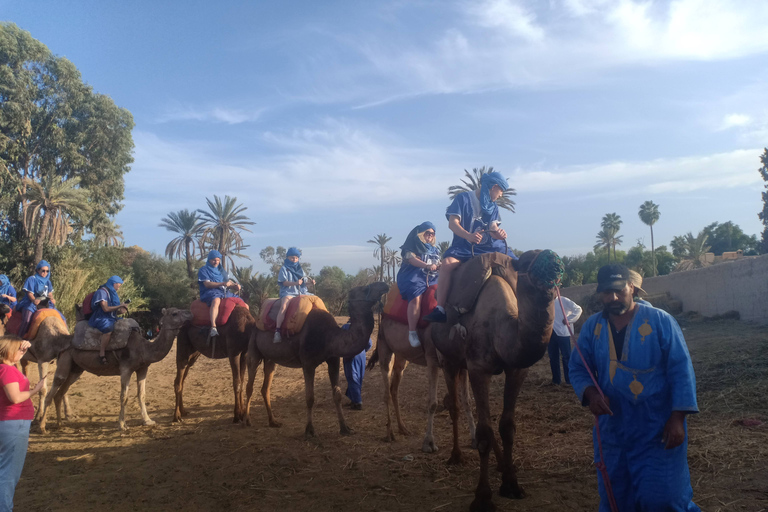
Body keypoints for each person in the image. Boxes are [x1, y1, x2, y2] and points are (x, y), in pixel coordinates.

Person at [569, 264, 700, 511]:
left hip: (656, 429)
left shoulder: (661, 322)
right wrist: (591, 392)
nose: (613, 297)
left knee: (664, 497)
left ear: (632, 287)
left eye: (619, 290)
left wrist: (678, 418)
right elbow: (578, 367)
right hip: (612, 431)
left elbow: (681, 370)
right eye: (607, 292)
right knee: (616, 495)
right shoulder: (592, 327)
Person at [424, 171, 509, 323]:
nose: (501, 195)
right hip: (463, 247)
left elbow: (493, 228)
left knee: (512, 262)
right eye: (501, 191)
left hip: (487, 247)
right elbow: (452, 223)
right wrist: (468, 236)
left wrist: (499, 234)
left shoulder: (493, 206)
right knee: (447, 265)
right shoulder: (463, 199)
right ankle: (441, 309)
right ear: (494, 187)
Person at [0, 335, 47, 511]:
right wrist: (36, 390)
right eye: (18, 349)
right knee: (9, 474)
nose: (22, 352)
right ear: (9, 350)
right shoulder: (8, 370)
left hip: (8, 423)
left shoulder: (7, 368)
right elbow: (15, 397)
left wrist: (23, 348)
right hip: (14, 424)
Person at [395, 222, 440, 348]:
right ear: (421, 233)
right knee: (416, 297)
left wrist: (441, 266)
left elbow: (437, 262)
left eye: (432, 233)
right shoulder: (410, 247)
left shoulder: (435, 250)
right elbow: (412, 260)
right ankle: (412, 331)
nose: (430, 236)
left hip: (432, 278)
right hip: (413, 277)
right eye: (428, 233)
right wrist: (426, 265)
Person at [273, 247, 314, 343]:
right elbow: (283, 282)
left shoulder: (300, 270)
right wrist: (295, 283)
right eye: (292, 258)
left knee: (316, 300)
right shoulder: (284, 269)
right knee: (283, 307)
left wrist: (311, 283)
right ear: (287, 257)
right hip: (289, 292)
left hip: (302, 292)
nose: (294, 260)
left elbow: (304, 283)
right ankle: (277, 331)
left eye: (296, 258)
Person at [88, 276, 130, 365]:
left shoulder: (113, 294)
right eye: (118, 285)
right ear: (114, 283)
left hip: (111, 317)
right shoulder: (102, 292)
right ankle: (102, 353)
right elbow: (106, 309)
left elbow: (115, 312)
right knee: (108, 329)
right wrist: (119, 306)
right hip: (101, 318)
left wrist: (122, 309)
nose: (119, 287)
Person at [198, 250, 241, 338]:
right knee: (216, 300)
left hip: (224, 292)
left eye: (218, 260)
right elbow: (207, 284)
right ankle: (213, 327)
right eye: (214, 260)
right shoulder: (203, 270)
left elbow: (228, 283)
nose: (216, 262)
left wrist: (235, 286)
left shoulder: (222, 271)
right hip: (210, 292)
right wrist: (222, 284)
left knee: (241, 302)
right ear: (209, 260)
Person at [15, 260, 56, 337]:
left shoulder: (48, 282)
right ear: (38, 270)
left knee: (60, 316)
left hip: (45, 303)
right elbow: (29, 293)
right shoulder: (32, 279)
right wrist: (34, 300)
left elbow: (50, 293)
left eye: (47, 271)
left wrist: (51, 298)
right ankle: (19, 338)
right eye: (43, 270)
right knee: (27, 320)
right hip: (31, 303)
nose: (45, 273)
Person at [549, 295, 582, 385]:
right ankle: (556, 380)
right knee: (553, 357)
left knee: (566, 357)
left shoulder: (563, 300)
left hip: (563, 333)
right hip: (551, 333)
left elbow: (578, 309)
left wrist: (569, 319)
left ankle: (569, 380)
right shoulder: (547, 301)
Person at [340, 322, 372, 410]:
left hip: (350, 354)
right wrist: (362, 351)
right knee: (359, 377)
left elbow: (340, 341)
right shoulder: (362, 327)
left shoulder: (345, 327)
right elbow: (369, 343)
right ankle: (353, 399)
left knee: (352, 377)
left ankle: (358, 402)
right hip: (361, 355)